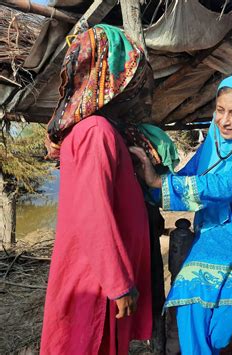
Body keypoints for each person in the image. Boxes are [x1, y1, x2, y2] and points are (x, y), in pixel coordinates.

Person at [131, 74, 232, 354]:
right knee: (188, 306)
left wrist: (160, 183)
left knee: (222, 323)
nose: (223, 121)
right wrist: (141, 180)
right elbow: (182, 180)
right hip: (215, 236)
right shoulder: (212, 143)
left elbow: (226, 184)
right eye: (220, 110)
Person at [41, 25, 157, 354]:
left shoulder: (97, 130)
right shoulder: (95, 131)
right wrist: (118, 282)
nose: (133, 85)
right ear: (108, 74)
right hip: (98, 283)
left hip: (98, 275)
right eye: (129, 73)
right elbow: (93, 214)